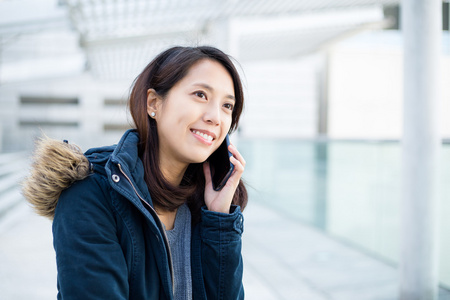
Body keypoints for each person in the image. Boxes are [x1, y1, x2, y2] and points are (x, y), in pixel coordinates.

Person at [22, 46, 248, 300]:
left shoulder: (207, 206)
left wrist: (218, 223)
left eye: (227, 105)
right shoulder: (89, 194)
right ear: (154, 103)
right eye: (200, 94)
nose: (215, 117)